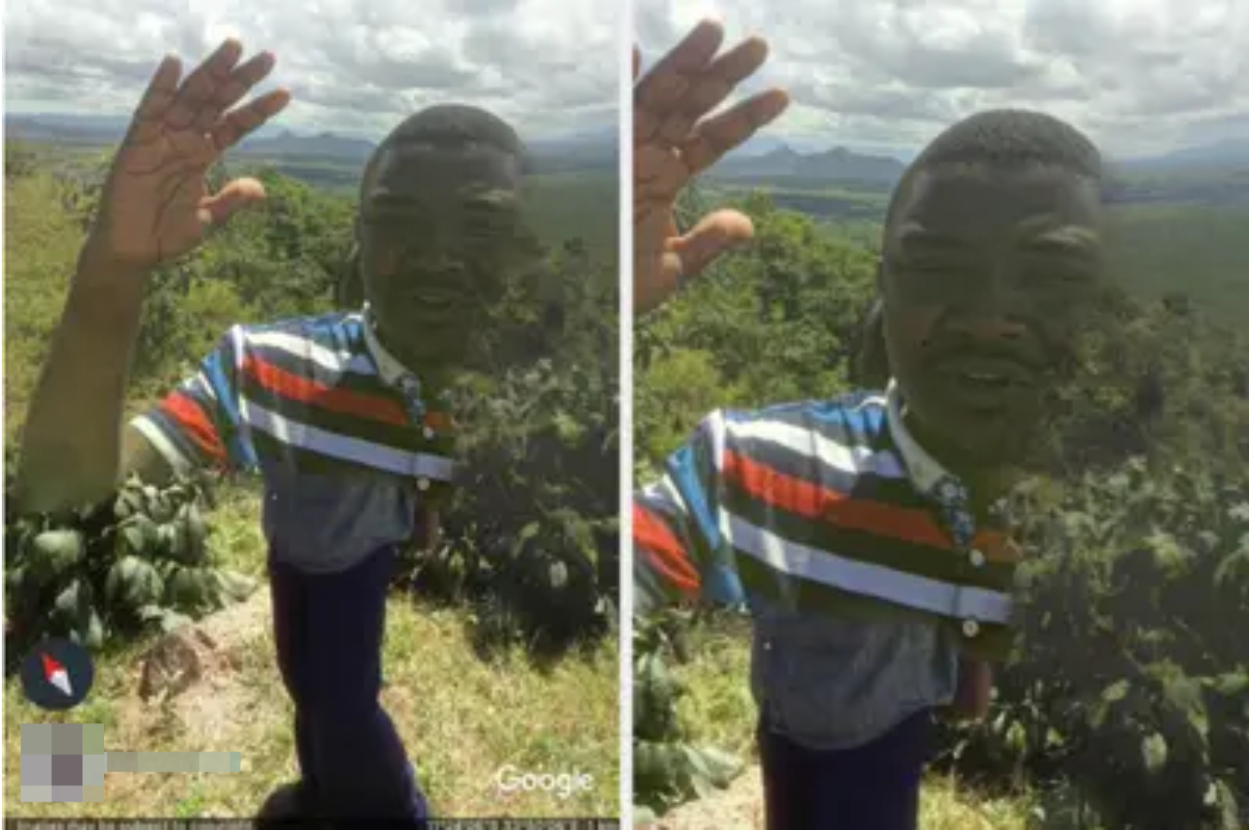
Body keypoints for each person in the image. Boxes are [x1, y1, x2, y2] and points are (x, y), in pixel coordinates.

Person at [15, 38, 534, 824]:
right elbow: (66, 486)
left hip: (348, 565)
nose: (436, 256)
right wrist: (113, 267)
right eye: (398, 222)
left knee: (341, 698)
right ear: (357, 245)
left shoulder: (534, 404)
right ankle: (321, 793)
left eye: (481, 227)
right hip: (301, 555)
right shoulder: (274, 369)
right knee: (312, 682)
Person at [633, 20, 1104, 830]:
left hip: (898, 715)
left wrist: (970, 684)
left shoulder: (1113, 516)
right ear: (881, 290)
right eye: (938, 266)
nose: (991, 317)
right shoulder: (760, 472)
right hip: (805, 715)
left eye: (1051, 274)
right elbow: (617, 568)